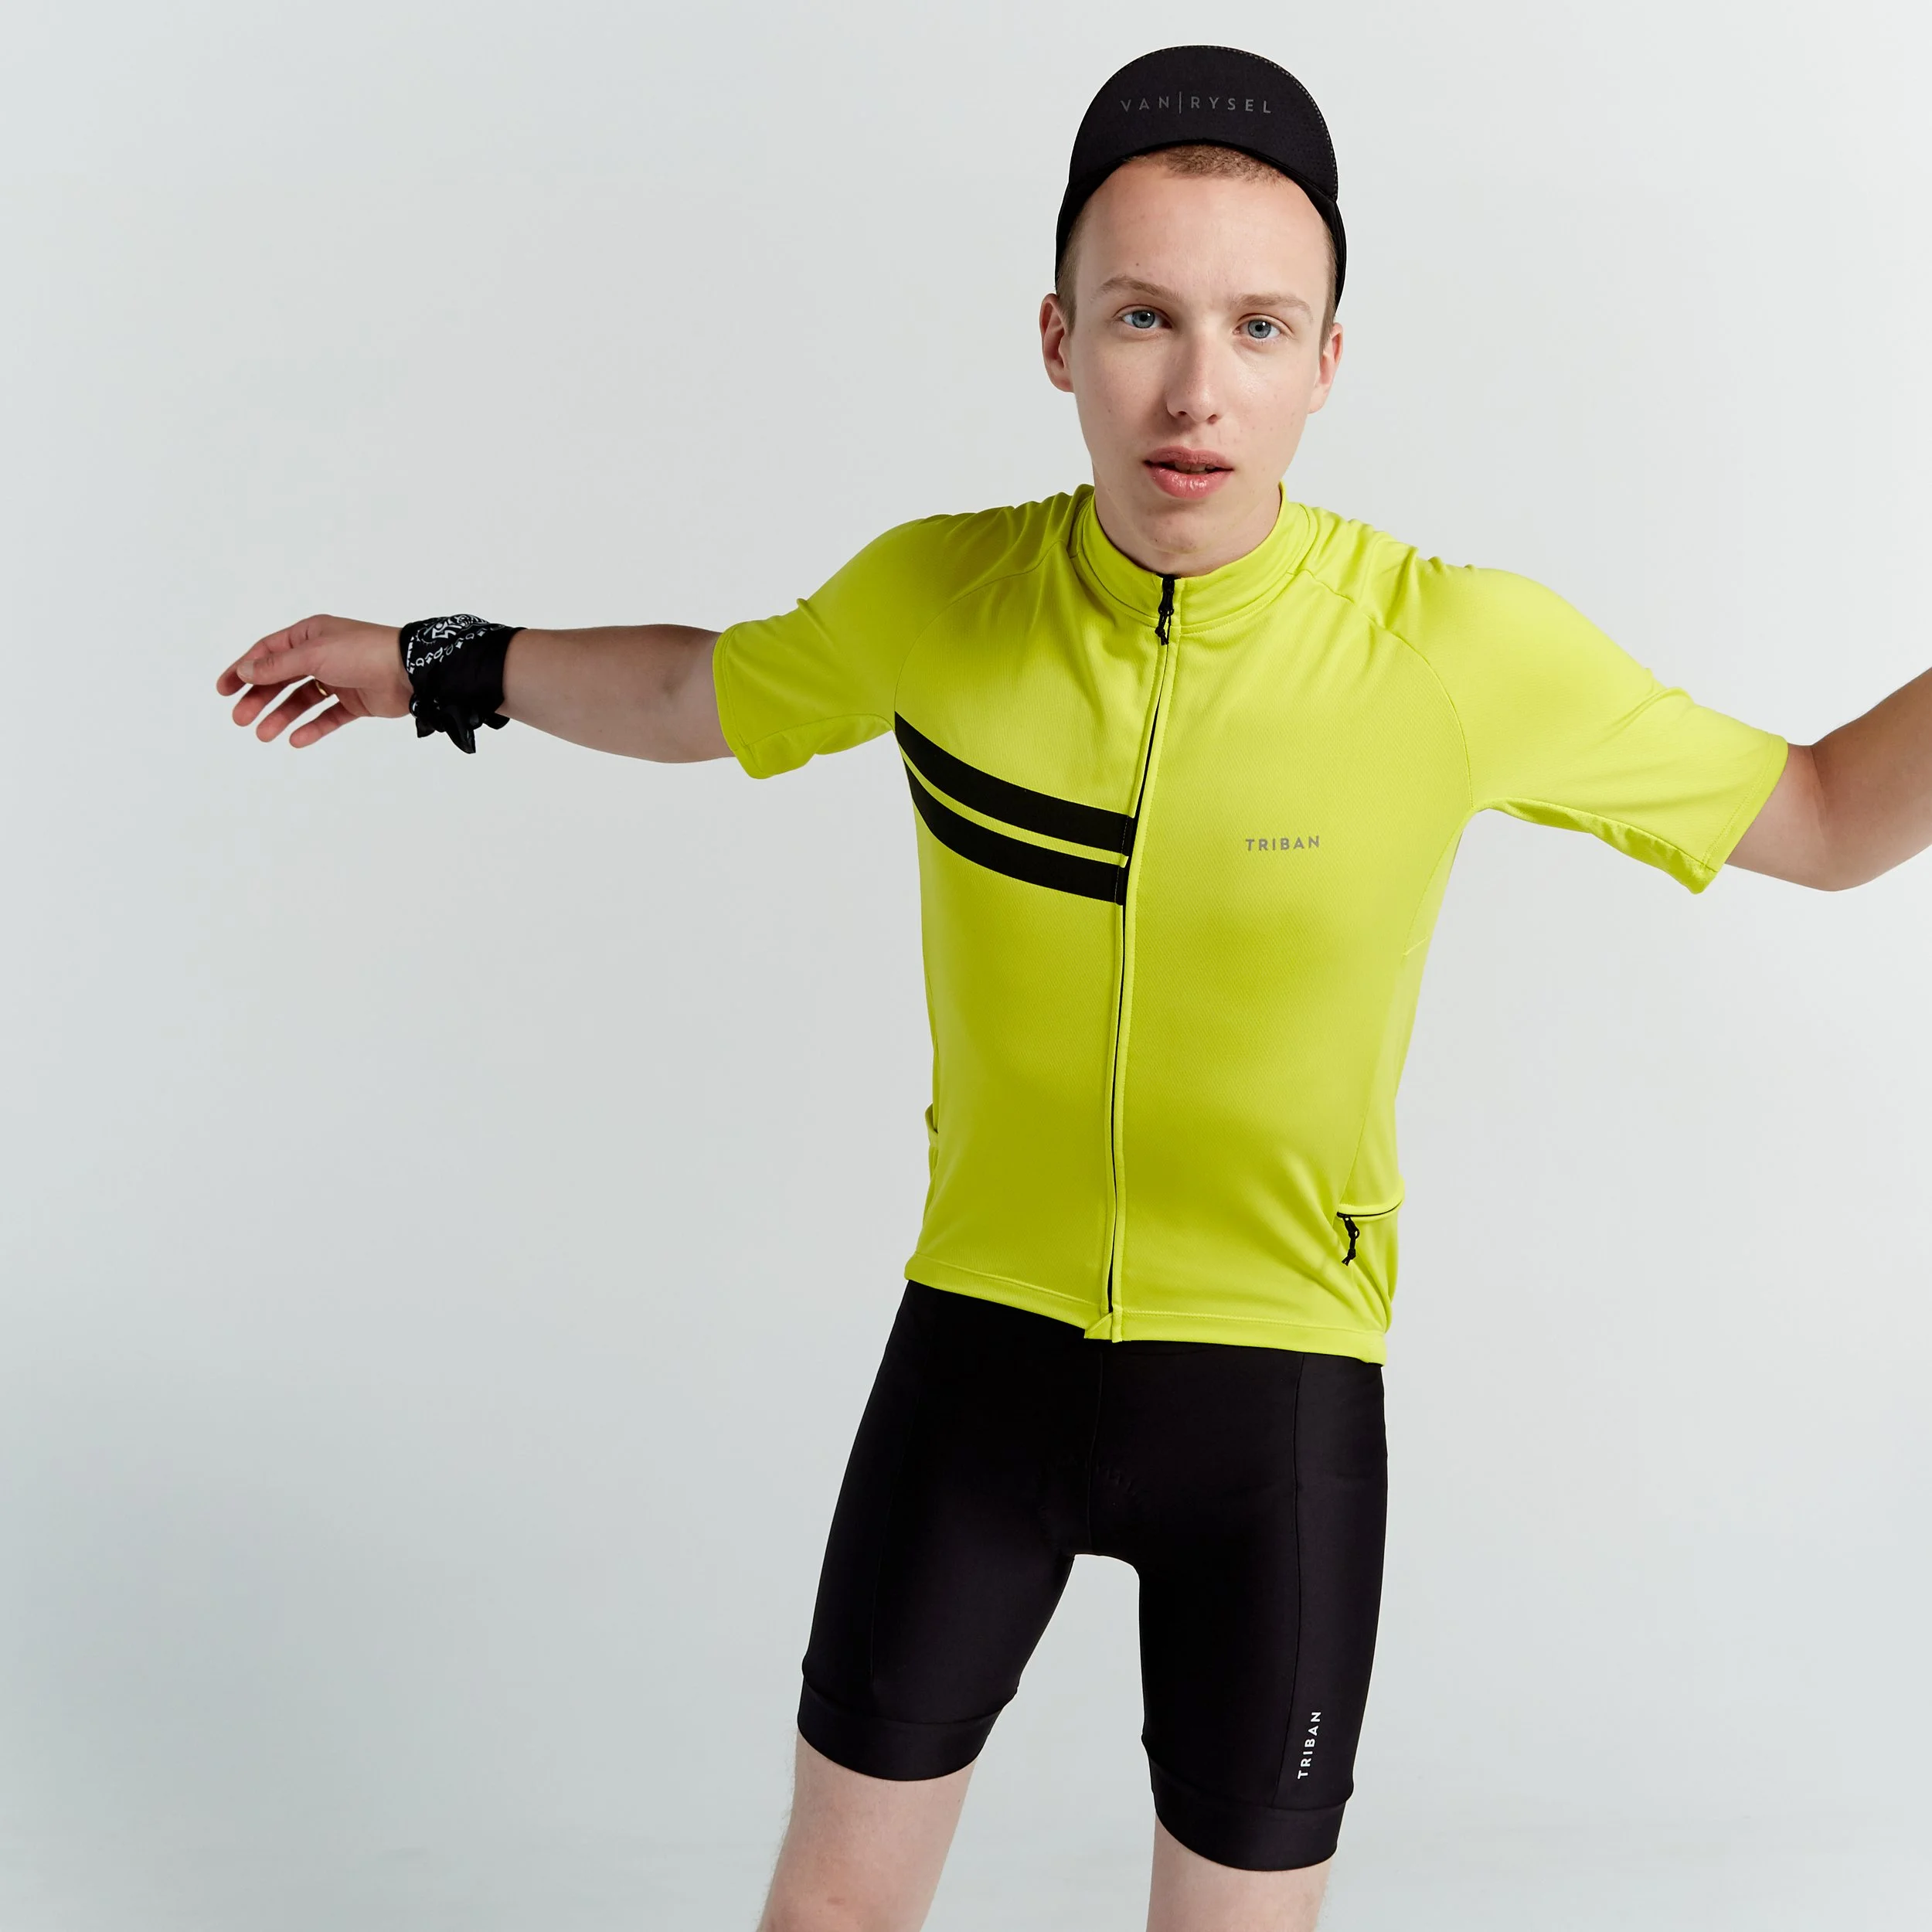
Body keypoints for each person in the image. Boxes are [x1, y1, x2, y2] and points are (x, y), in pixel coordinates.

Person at [214, 43, 1931, 1932]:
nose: (1196, 389)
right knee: (831, 1909)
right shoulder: (940, 601)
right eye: (1140, 317)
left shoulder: (1446, 649)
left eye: (1257, 327)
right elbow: (704, 691)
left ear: (1325, 362)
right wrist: (445, 659)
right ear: (1056, 338)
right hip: (979, 1362)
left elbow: (1826, 813)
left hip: (1273, 1403)